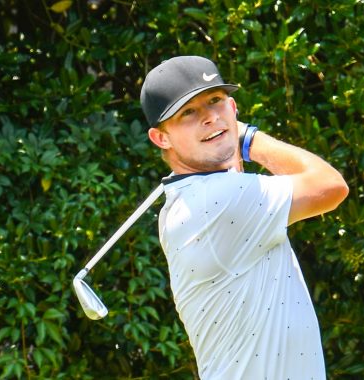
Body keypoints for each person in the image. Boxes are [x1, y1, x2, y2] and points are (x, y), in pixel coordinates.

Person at [140, 55, 349, 379]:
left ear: (232, 106)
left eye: (215, 101)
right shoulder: (220, 200)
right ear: (160, 138)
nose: (210, 117)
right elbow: (331, 186)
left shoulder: (194, 199)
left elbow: (233, 176)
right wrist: (247, 137)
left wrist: (229, 146)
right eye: (188, 113)